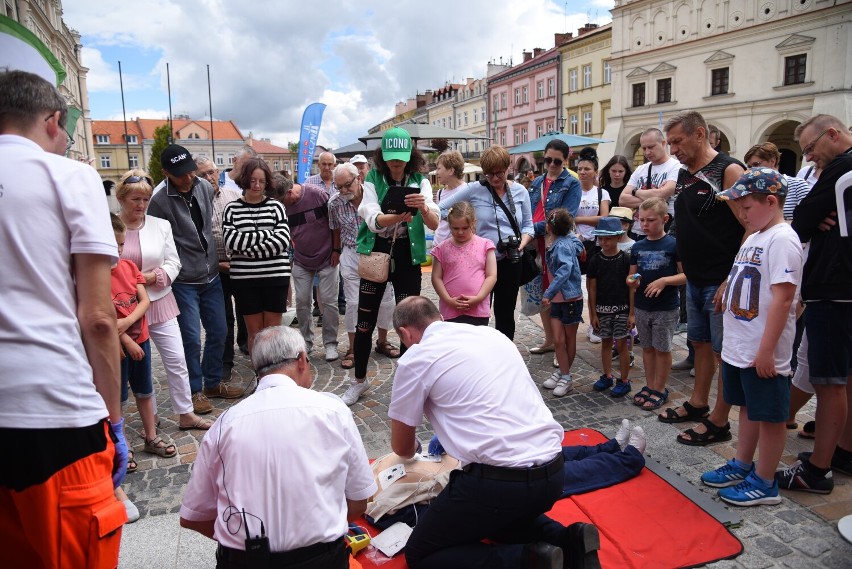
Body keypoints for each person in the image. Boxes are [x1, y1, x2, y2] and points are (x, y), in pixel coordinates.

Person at [0, 69, 127, 567]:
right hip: (52, 409)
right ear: (52, 120)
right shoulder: (68, 175)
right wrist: (114, 421)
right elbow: (97, 318)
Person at [388, 296, 602, 569]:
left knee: (420, 553)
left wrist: (416, 442)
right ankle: (569, 539)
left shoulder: (417, 357)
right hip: (554, 472)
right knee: (497, 518)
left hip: (499, 483)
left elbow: (403, 448)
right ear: (439, 318)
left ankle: (528, 560)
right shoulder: (492, 334)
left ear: (405, 333)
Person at [179, 326, 377, 568]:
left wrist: (239, 544)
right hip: (321, 560)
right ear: (302, 360)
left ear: (257, 368)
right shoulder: (333, 411)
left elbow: (194, 516)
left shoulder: (224, 424)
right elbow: (358, 501)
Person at [701, 168, 802, 506]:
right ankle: (743, 463)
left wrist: (767, 350)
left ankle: (766, 480)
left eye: (746, 207)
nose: (741, 214)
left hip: (763, 350)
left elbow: (785, 297)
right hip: (739, 345)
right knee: (746, 407)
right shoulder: (756, 235)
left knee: (771, 417)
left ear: (771, 202)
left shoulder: (782, 238)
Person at [660, 111, 747, 446]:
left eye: (678, 142)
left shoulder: (728, 170)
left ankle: (720, 420)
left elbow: (748, 225)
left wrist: (734, 276)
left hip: (720, 278)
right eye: (671, 143)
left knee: (724, 353)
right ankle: (699, 403)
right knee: (700, 346)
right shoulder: (684, 173)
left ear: (700, 134)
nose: (674, 149)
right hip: (694, 278)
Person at [778, 114, 852, 493]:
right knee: (844, 376)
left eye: (811, 149)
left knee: (829, 381)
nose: (809, 159)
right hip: (842, 287)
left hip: (833, 287)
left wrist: (813, 212)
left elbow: (801, 221)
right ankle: (844, 450)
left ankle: (817, 469)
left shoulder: (841, 168)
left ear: (833, 134)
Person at [345, 127, 440, 405]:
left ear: (410, 156)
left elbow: (435, 222)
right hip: (376, 251)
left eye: (401, 157)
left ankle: (408, 385)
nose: (396, 163)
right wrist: (397, 215)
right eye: (391, 158)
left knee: (409, 321)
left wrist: (422, 207)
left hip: (407, 255)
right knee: (365, 321)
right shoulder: (372, 179)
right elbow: (372, 220)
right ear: (382, 157)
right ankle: (358, 381)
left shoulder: (420, 180)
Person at [149, 144, 243, 411]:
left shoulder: (202, 186)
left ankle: (213, 382)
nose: (188, 178)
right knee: (190, 336)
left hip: (211, 275)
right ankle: (194, 389)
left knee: (219, 330)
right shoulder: (159, 201)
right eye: (181, 175)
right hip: (183, 280)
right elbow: (159, 242)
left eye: (190, 172)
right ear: (166, 172)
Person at [116, 170, 213, 428]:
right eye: (135, 199)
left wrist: (153, 277)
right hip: (125, 308)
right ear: (121, 199)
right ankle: (152, 416)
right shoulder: (110, 226)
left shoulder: (161, 225)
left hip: (159, 299)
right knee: (140, 364)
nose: (141, 205)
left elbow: (174, 262)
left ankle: (185, 412)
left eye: (145, 200)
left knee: (176, 358)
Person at [439, 145, 534, 340]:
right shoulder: (475, 189)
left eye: (499, 173)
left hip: (511, 261)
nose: (495, 179)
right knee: (477, 312)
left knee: (505, 313)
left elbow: (528, 226)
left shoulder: (520, 191)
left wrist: (522, 243)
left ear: (508, 168)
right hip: (480, 262)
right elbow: (440, 210)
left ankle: (503, 355)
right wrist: (465, 232)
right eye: (489, 175)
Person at [110, 214, 175, 457]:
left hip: (141, 339)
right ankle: (120, 446)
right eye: (113, 245)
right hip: (116, 346)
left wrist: (126, 323)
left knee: (145, 391)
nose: (118, 251)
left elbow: (144, 300)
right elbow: (105, 315)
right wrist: (124, 338)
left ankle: (151, 436)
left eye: (121, 245)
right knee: (119, 398)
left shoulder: (129, 267)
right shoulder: (97, 276)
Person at [329, 163, 398, 370]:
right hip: (351, 254)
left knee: (386, 300)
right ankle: (352, 348)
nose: (343, 191)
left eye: (346, 185)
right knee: (353, 303)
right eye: (338, 186)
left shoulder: (374, 195)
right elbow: (335, 228)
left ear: (358, 178)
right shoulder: (335, 203)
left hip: (377, 253)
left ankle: (382, 341)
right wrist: (336, 250)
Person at [222, 158, 291, 354]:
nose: (257, 185)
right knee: (255, 333)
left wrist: (248, 246)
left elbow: (282, 241)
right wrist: (266, 238)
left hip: (275, 278)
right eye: (253, 180)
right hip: (245, 280)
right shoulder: (232, 209)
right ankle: (261, 378)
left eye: (261, 181)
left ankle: (274, 377)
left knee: (273, 333)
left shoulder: (276, 207)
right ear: (245, 180)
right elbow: (232, 242)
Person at [274, 173, 340, 361]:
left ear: (289, 192)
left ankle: (330, 343)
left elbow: (334, 224)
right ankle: (306, 342)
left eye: (282, 200)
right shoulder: (281, 206)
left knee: (329, 302)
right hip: (302, 260)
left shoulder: (316, 194)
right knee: (302, 301)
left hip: (328, 257)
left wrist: (336, 249)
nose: (281, 205)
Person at [628, 198, 686, 411]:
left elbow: (685, 276)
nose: (644, 225)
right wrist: (631, 283)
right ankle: (650, 385)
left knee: (662, 349)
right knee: (647, 348)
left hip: (666, 307)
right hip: (643, 306)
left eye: (650, 220)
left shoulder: (673, 244)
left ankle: (660, 388)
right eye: (641, 220)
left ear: (665, 219)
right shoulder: (637, 246)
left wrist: (664, 281)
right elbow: (631, 278)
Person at [528, 139, 583, 354]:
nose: (551, 164)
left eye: (556, 161)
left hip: (555, 242)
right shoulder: (537, 182)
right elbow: (528, 210)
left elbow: (566, 216)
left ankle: (563, 346)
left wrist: (531, 228)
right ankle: (550, 340)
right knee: (542, 291)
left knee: (559, 292)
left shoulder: (572, 183)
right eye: (547, 160)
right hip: (535, 243)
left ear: (565, 160)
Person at [201, 156, 249, 373]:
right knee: (223, 318)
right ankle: (225, 362)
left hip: (240, 264)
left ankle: (249, 346)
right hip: (214, 270)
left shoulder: (234, 196)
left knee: (247, 311)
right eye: (202, 174)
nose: (208, 177)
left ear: (218, 171)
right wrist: (216, 263)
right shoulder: (196, 202)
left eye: (211, 172)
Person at [588, 217, 635, 398]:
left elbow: (631, 287)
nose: (604, 242)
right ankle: (607, 375)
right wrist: (593, 313)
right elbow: (591, 288)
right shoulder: (595, 260)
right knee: (606, 342)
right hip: (602, 309)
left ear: (617, 237)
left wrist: (632, 313)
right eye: (601, 238)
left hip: (622, 309)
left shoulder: (625, 259)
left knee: (622, 343)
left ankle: (624, 380)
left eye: (607, 238)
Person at [541, 209, 585, 397]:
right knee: (558, 340)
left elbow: (564, 270)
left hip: (569, 299)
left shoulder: (561, 246)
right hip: (560, 300)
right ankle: (563, 371)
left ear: (550, 227)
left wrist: (549, 293)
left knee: (568, 340)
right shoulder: (569, 239)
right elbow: (578, 243)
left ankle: (566, 377)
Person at [430, 201, 497, 325]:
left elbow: (491, 275)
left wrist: (479, 298)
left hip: (478, 309)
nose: (460, 232)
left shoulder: (486, 245)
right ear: (449, 225)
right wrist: (448, 300)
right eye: (455, 228)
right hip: (450, 309)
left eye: (465, 228)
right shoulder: (442, 249)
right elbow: (436, 278)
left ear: (473, 223)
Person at [617, 128, 681, 240]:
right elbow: (622, 199)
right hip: (638, 231)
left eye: (651, 147)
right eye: (644, 148)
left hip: (665, 230)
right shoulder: (640, 169)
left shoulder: (676, 166)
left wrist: (635, 191)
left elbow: (664, 193)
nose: (647, 152)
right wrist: (655, 197)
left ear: (663, 143)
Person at [743, 142, 812, 221]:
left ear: (772, 161)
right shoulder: (751, 189)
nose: (752, 170)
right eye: (749, 167)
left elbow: (809, 217)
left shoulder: (798, 185)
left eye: (756, 164)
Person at [575, 147, 610, 278]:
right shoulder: (572, 192)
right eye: (579, 169)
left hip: (595, 244)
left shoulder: (601, 192)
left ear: (595, 172)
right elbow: (567, 217)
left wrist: (578, 219)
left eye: (587, 169)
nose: (582, 172)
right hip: (575, 242)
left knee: (593, 279)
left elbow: (604, 218)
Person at [433, 150, 467, 246]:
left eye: (439, 168)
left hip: (457, 248)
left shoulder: (467, 191)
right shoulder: (439, 193)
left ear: (451, 171)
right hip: (438, 246)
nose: (436, 172)